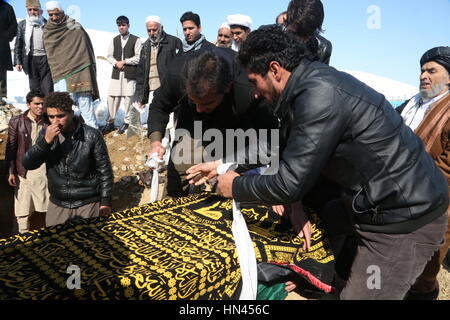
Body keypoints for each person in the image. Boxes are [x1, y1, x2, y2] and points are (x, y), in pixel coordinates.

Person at [216, 25, 449, 300]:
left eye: (255, 81)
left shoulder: (319, 96)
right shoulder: (307, 86)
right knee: (324, 223)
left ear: (275, 69)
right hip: (369, 202)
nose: (254, 93)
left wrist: (237, 186)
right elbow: (280, 143)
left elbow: (289, 184)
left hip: (403, 219)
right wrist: (226, 163)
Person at [147, 48, 277, 198]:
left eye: (207, 103)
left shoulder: (248, 87)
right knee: (179, 172)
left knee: (227, 183)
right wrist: (156, 142)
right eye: (195, 101)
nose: (200, 109)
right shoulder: (176, 74)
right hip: (191, 124)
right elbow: (159, 106)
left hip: (235, 128)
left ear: (227, 87)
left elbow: (271, 142)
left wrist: (225, 163)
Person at [397, 46, 450, 300]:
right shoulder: (412, 103)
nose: (423, 76)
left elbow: (446, 170)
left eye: (432, 70)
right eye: (421, 70)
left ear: (449, 77)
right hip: (399, 196)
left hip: (433, 206)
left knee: (422, 275)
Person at [23, 92, 113, 227]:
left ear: (71, 113)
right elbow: (28, 163)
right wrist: (45, 142)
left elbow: (105, 171)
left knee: (88, 243)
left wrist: (105, 202)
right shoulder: (46, 134)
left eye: (60, 116)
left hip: (88, 201)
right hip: (58, 202)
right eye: (51, 116)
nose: (56, 121)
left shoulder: (91, 135)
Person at [44, 1, 100, 129]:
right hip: (60, 73)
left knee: (85, 104)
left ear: (62, 12)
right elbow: (51, 52)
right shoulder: (48, 29)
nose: (53, 17)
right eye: (50, 14)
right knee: (62, 106)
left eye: (56, 14)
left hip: (80, 71)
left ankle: (94, 133)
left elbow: (84, 48)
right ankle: (66, 133)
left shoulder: (74, 26)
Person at [6, 90, 49, 234]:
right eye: (37, 103)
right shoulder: (17, 122)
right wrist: (11, 171)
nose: (40, 107)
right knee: (22, 213)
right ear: (28, 104)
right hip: (23, 172)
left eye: (43, 103)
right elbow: (11, 148)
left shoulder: (49, 121)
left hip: (44, 173)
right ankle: (20, 245)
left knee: (46, 210)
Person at [103, 16, 142, 135]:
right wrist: (115, 63)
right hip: (116, 74)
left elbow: (138, 57)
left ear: (128, 26)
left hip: (130, 74)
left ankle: (127, 122)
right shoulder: (114, 40)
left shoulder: (136, 39)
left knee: (129, 98)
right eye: (119, 25)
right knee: (112, 97)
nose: (121, 27)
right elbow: (109, 56)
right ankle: (110, 122)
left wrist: (124, 62)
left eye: (123, 25)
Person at [135, 16, 181, 117]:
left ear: (161, 28)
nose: (151, 33)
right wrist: (140, 97)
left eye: (154, 30)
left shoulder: (174, 42)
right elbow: (141, 74)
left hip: (170, 90)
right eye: (149, 30)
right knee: (157, 120)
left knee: (173, 122)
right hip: (152, 91)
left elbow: (181, 68)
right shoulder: (145, 46)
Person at [14, 0, 54, 96]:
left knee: (47, 86)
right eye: (29, 9)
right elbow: (18, 44)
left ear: (40, 11)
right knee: (34, 88)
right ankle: (37, 109)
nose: (32, 12)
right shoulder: (22, 24)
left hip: (46, 59)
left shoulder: (47, 24)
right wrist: (17, 61)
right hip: (30, 59)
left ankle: (48, 109)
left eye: (35, 9)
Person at [285, 0, 332, 65]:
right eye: (295, 33)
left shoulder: (323, 48)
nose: (299, 40)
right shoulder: (270, 40)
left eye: (306, 34)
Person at [0, 0, 17, 106]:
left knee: (0, 72)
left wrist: (5, 37)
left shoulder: (7, 8)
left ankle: (1, 96)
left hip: (1, 46)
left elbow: (13, 26)